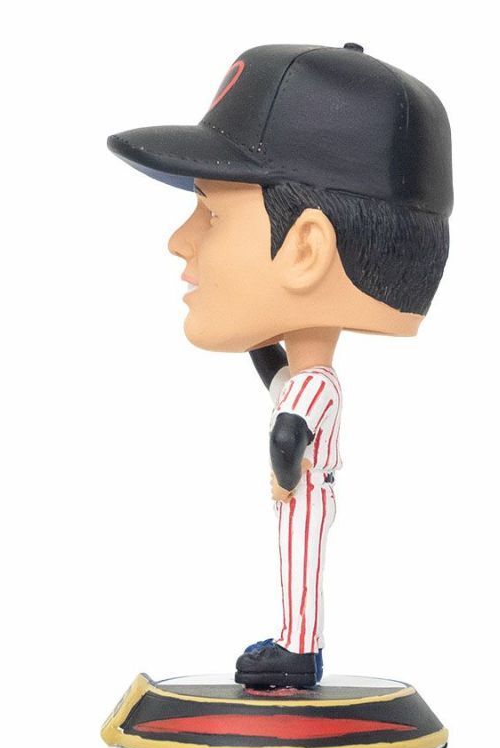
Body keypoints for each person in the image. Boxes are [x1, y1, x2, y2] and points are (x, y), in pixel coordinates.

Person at [107, 42, 452, 688]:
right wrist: (255, 338)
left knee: (300, 564)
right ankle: (297, 643)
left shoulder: (319, 384)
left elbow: (290, 431)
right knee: (297, 567)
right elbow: (277, 382)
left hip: (304, 494)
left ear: (305, 250)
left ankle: (298, 650)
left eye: (212, 213)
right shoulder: (308, 376)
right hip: (305, 493)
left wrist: (284, 475)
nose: (180, 240)